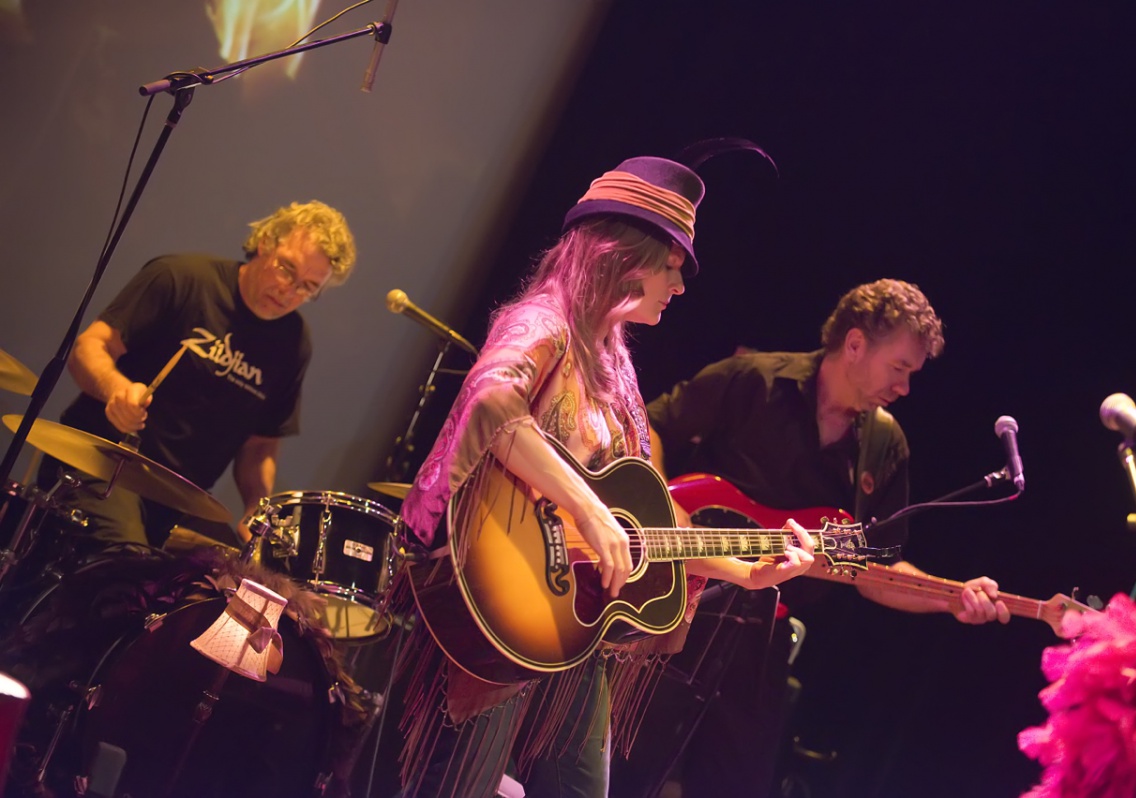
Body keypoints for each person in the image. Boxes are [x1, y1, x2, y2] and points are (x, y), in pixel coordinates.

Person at [391, 156, 816, 798]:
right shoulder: (541, 323)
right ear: (625, 258)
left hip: (574, 613)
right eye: (672, 266)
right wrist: (588, 510)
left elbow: (641, 524)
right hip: (503, 599)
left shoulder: (614, 363)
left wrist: (749, 571)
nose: (679, 286)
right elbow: (491, 404)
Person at [639, 278, 1013, 797]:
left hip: (761, 640)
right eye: (899, 368)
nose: (905, 388)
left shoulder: (884, 445)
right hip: (678, 605)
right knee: (625, 765)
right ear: (855, 345)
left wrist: (953, 598)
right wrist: (667, 514)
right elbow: (651, 424)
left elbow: (873, 569)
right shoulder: (754, 379)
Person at [39, 200, 356, 549]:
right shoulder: (181, 278)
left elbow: (261, 443)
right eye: (286, 269)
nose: (289, 291)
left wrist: (256, 505)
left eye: (308, 287)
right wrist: (117, 389)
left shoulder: (294, 343)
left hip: (176, 500)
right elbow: (89, 346)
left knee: (216, 585)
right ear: (265, 242)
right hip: (102, 469)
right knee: (124, 568)